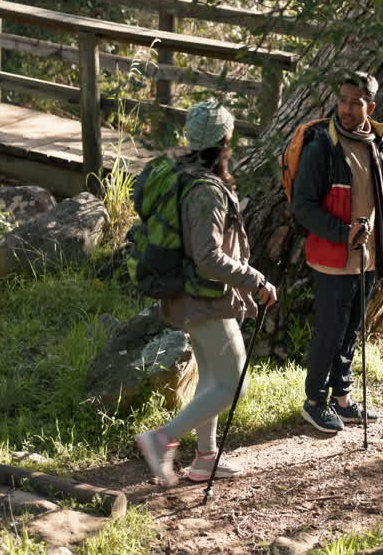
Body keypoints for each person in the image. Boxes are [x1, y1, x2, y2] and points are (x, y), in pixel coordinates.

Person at [135, 100, 278, 485]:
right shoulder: (205, 190)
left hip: (191, 295)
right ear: (226, 139)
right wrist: (256, 281)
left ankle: (205, 458)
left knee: (212, 379)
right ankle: (162, 439)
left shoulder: (182, 174)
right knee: (234, 384)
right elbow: (208, 257)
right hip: (205, 298)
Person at [290, 74, 383, 433]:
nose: (346, 109)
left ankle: (343, 399)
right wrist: (342, 232)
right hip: (332, 257)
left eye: (355, 103)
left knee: (350, 330)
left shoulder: (377, 141)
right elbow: (302, 206)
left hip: (368, 256)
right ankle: (314, 401)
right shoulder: (322, 146)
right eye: (343, 100)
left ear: (371, 107)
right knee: (330, 330)